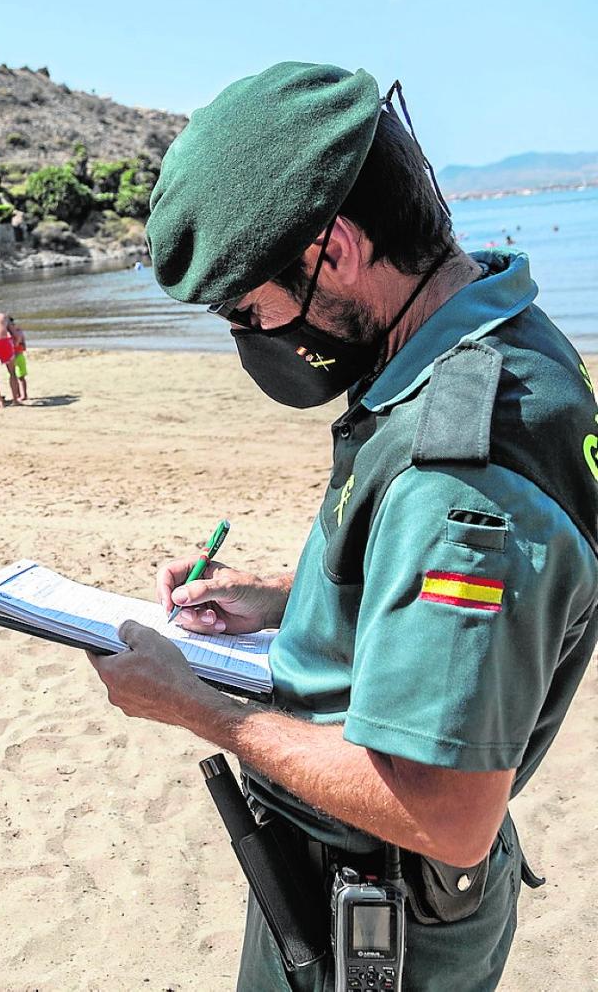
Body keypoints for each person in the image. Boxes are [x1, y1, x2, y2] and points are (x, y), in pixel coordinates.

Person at [84, 62, 598, 991]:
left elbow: (444, 810)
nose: (253, 337)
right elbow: (475, 610)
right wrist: (283, 595)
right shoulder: (502, 330)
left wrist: (197, 706)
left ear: (342, 249)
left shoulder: (462, 476)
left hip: (379, 909)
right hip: (358, 881)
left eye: (249, 310)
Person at [7, 316, 29, 402]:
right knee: (14, 375)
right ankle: (18, 394)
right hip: (12, 356)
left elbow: (21, 341)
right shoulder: (8, 332)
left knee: (21, 376)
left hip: (18, 355)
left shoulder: (17, 331)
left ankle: (23, 394)